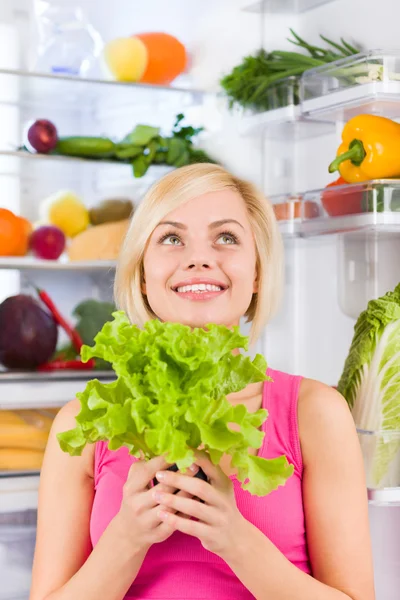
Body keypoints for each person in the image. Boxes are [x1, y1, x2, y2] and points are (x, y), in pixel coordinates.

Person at [30, 163, 375, 600]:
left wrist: (237, 540)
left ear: (256, 275)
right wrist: (125, 540)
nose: (199, 258)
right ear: (141, 273)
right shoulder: (84, 422)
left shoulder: (313, 413)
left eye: (226, 238)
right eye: (171, 238)